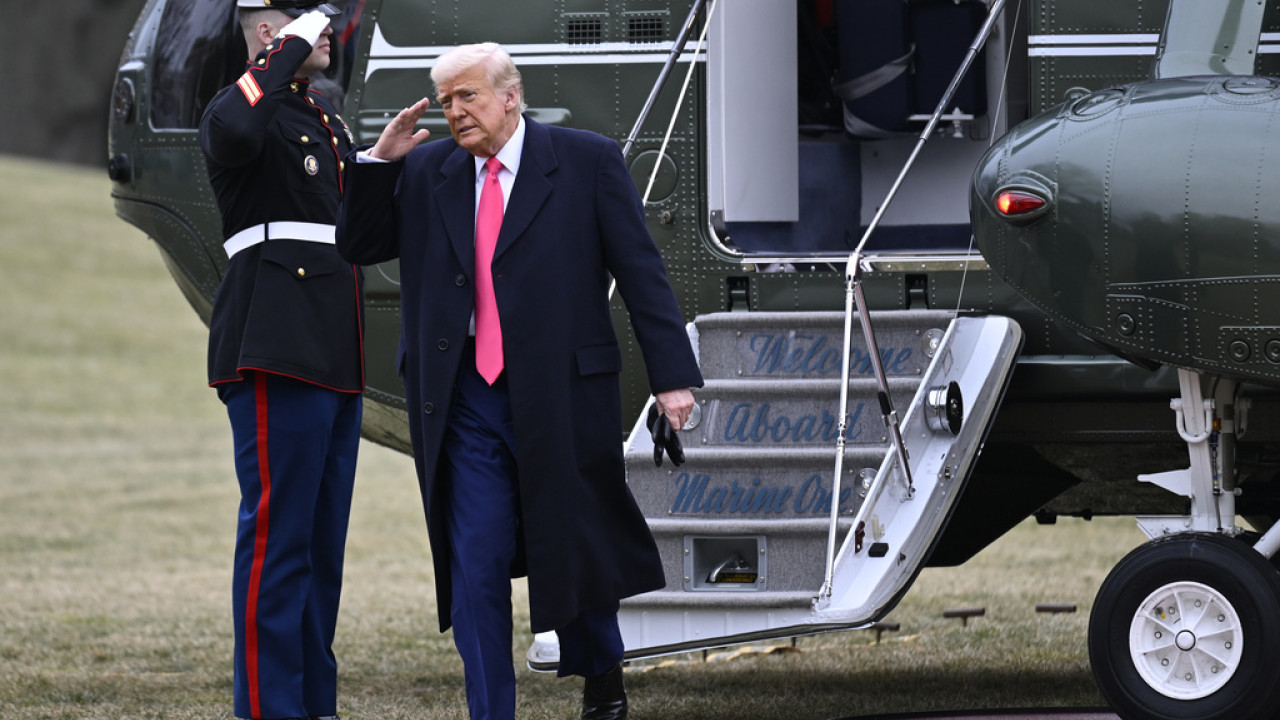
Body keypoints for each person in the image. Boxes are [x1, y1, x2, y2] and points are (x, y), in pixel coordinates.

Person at [335, 42, 702, 720]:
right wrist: (378, 164)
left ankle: (602, 678)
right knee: (475, 561)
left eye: (467, 96)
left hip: (562, 392)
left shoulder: (588, 160)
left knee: (575, 543)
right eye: (446, 100)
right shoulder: (428, 169)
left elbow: (641, 270)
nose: (454, 112)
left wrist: (672, 377)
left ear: (510, 96)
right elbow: (359, 246)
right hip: (465, 399)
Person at [198, 3, 363, 719]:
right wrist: (290, 47)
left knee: (321, 548)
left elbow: (348, 224)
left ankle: (315, 704)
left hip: (333, 347)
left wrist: (378, 161)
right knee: (278, 541)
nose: (327, 30)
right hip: (277, 342)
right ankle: (268, 710)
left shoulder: (320, 114)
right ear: (270, 33)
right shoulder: (239, 106)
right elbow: (237, 130)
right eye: (310, 16)